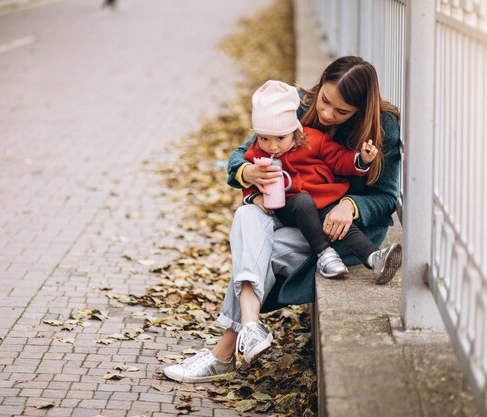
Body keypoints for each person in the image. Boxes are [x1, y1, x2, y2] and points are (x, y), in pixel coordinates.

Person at [163, 56, 401, 383]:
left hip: (336, 229)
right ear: (319, 87)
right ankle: (250, 326)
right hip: (286, 209)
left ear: (360, 110)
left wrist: (350, 205)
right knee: (248, 213)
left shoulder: (382, 126)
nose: (327, 114)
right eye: (325, 100)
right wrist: (248, 172)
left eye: (341, 111)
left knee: (262, 252)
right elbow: (242, 154)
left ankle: (223, 353)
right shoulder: (298, 106)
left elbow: (387, 197)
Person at [242, 80, 402, 283]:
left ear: (294, 130)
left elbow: (339, 158)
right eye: (264, 138)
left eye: (280, 138)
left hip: (318, 203)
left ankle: (374, 258)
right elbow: (247, 178)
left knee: (334, 220)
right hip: (284, 206)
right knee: (303, 202)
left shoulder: (313, 140)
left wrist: (361, 160)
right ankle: (324, 254)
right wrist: (253, 196)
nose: (272, 146)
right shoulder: (258, 150)